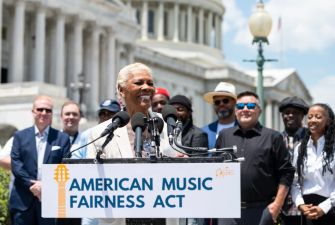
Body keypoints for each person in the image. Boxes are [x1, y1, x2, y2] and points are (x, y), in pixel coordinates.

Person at [85, 62, 179, 225]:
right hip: (121, 219)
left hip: (162, 218)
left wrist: (185, 162)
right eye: (139, 83)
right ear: (121, 90)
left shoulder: (168, 125)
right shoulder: (100, 134)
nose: (146, 87)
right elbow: (90, 182)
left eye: (150, 83)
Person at [215, 91, 294, 225]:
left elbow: (286, 173)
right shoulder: (224, 135)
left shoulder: (273, 137)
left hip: (261, 211)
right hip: (228, 211)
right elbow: (215, 168)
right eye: (240, 106)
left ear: (259, 111)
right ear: (235, 111)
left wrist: (277, 205)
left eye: (251, 106)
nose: (245, 109)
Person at [10, 95, 71, 225]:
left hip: (49, 201)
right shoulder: (19, 136)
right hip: (22, 202)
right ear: (33, 111)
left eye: (48, 110)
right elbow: (16, 164)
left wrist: (46, 185)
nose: (44, 113)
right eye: (40, 109)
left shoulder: (62, 138)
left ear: (52, 114)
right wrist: (32, 185)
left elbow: (64, 166)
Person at [291, 103, 335, 225]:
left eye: (318, 117)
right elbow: (295, 182)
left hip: (331, 208)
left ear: (328, 121)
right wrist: (300, 204)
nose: (313, 120)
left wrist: (324, 207)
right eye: (310, 117)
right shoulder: (300, 149)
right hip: (308, 210)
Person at [278, 96, 309, 224]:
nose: (290, 115)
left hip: (308, 205)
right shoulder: (275, 139)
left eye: (295, 113)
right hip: (282, 206)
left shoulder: (312, 139)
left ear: (302, 116)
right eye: (286, 112)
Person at [202, 82, 237, 149]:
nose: (221, 104)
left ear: (234, 102)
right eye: (217, 102)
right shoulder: (204, 131)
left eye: (225, 101)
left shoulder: (244, 129)